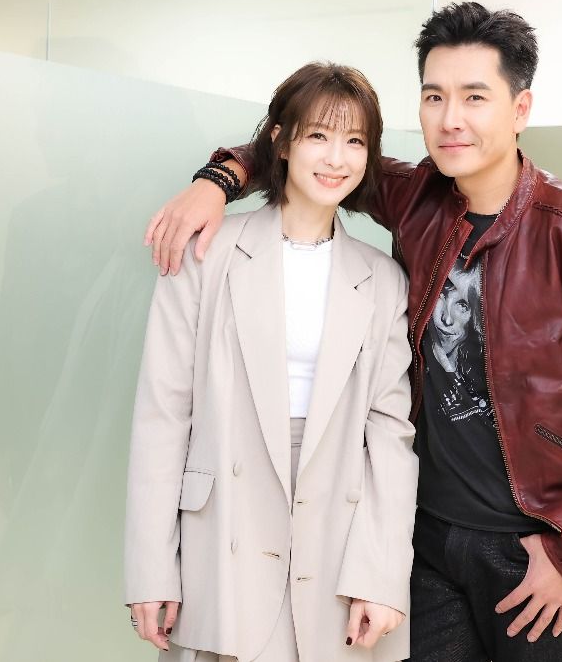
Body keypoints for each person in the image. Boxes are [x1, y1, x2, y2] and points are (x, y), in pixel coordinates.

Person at [142, 2, 562, 662]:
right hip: (428, 545)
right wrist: (217, 182)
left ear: (520, 108)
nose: (451, 118)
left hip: (532, 546)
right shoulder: (417, 197)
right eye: (434, 96)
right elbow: (310, 145)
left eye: (474, 96)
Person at [123, 62, 418, 662]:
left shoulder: (383, 278)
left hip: (336, 525)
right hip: (225, 523)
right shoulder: (209, 252)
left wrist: (383, 575)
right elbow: (163, 414)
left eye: (355, 141)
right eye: (318, 136)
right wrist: (151, 567)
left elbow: (391, 435)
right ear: (280, 142)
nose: (336, 158)